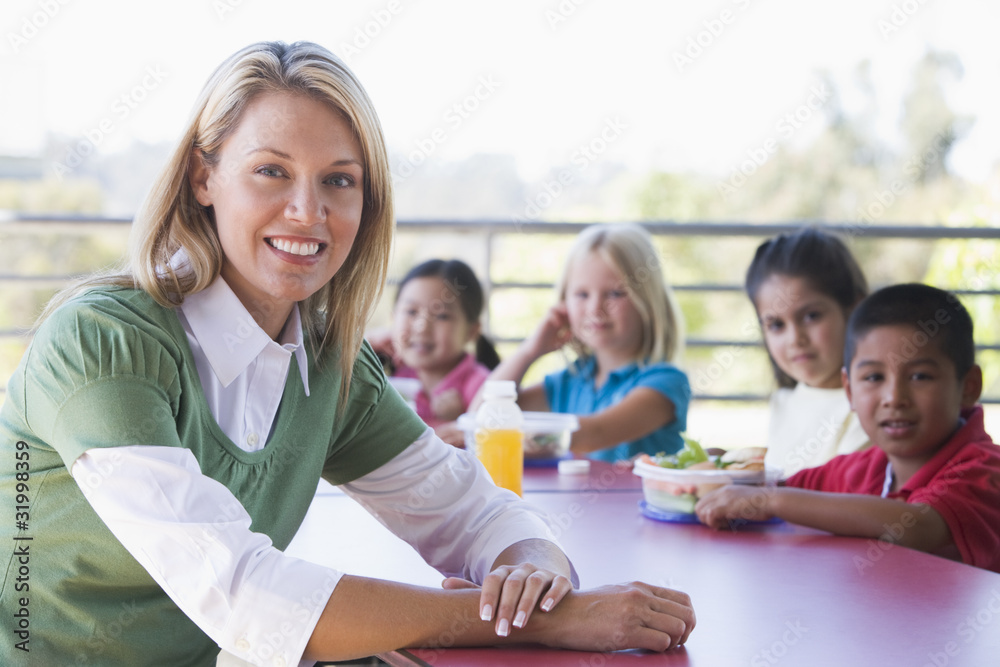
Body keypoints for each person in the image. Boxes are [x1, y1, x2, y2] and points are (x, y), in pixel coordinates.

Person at [0, 42, 695, 666]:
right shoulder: (103, 343)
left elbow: (472, 512)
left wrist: (534, 567)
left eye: (339, 180)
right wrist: (542, 624)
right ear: (202, 178)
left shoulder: (331, 367)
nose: (309, 211)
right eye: (272, 170)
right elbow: (246, 597)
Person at [696, 284, 1000, 574]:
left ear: (968, 387)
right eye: (873, 378)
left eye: (920, 376)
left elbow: (918, 526)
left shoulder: (985, 469)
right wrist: (721, 470)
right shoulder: (860, 469)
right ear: (850, 390)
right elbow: (776, 491)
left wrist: (771, 501)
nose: (894, 398)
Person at [479, 223, 691, 463]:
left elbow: (594, 433)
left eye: (615, 294)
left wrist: (499, 434)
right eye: (582, 294)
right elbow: (483, 413)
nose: (595, 309)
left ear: (648, 303)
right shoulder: (567, 382)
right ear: (564, 303)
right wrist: (530, 351)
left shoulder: (665, 382)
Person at [745, 226, 871, 478]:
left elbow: (840, 501)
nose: (795, 339)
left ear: (854, 309)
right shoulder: (784, 401)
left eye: (811, 316)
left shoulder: (871, 409)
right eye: (776, 325)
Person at [368, 259, 499, 447]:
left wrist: (463, 421)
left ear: (471, 331)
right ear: (393, 318)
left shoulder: (480, 386)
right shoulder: (383, 371)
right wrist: (365, 343)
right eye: (411, 312)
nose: (422, 327)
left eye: (442, 316)